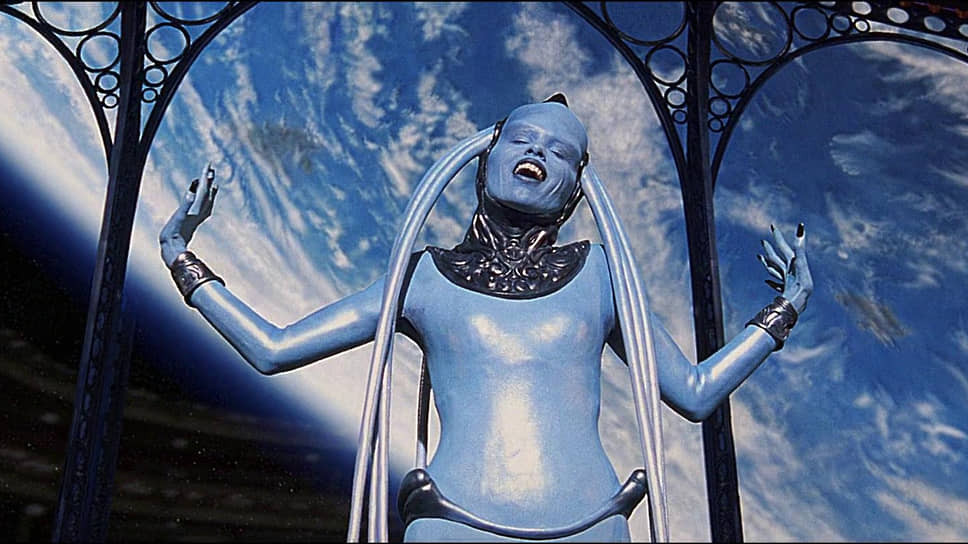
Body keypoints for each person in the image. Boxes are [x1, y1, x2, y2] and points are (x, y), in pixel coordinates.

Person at [159, 96, 812, 542]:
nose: (540, 153)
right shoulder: (421, 275)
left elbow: (693, 392)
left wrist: (783, 311)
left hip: (594, 527)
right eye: (524, 140)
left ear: (576, 187)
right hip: (451, 524)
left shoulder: (602, 271)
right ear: (487, 155)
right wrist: (181, 257)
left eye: (562, 152)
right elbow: (274, 348)